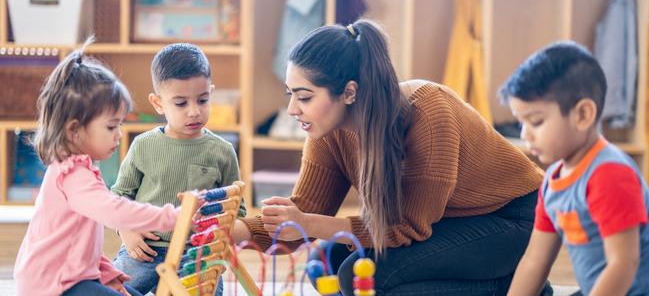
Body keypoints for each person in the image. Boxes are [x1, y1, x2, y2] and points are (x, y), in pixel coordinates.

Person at [230, 20, 545, 295]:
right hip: (444, 221)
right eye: (291, 95)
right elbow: (305, 216)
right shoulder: (327, 130)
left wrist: (308, 222)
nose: (292, 109)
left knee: (360, 275)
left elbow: (405, 227)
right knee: (323, 265)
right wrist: (235, 231)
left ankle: (507, 286)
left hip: (513, 219)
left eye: (305, 97)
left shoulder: (429, 114)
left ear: (349, 93)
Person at [13, 42, 179, 296]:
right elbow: (114, 211)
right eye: (111, 127)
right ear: (74, 130)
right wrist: (170, 217)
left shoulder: (78, 168)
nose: (119, 135)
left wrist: (105, 272)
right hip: (54, 286)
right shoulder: (73, 174)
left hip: (69, 277)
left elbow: (76, 241)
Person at [500, 41, 649, 296]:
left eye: (536, 121)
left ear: (583, 115)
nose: (526, 134)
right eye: (521, 122)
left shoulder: (610, 175)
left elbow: (623, 264)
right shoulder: (553, 181)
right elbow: (535, 262)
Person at [111, 43, 246, 295]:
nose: (194, 111)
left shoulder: (223, 151)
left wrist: (217, 241)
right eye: (181, 103)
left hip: (197, 254)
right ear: (158, 103)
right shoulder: (143, 145)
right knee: (109, 289)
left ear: (211, 93)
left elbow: (237, 209)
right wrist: (126, 231)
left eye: (203, 100)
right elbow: (119, 197)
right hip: (145, 249)